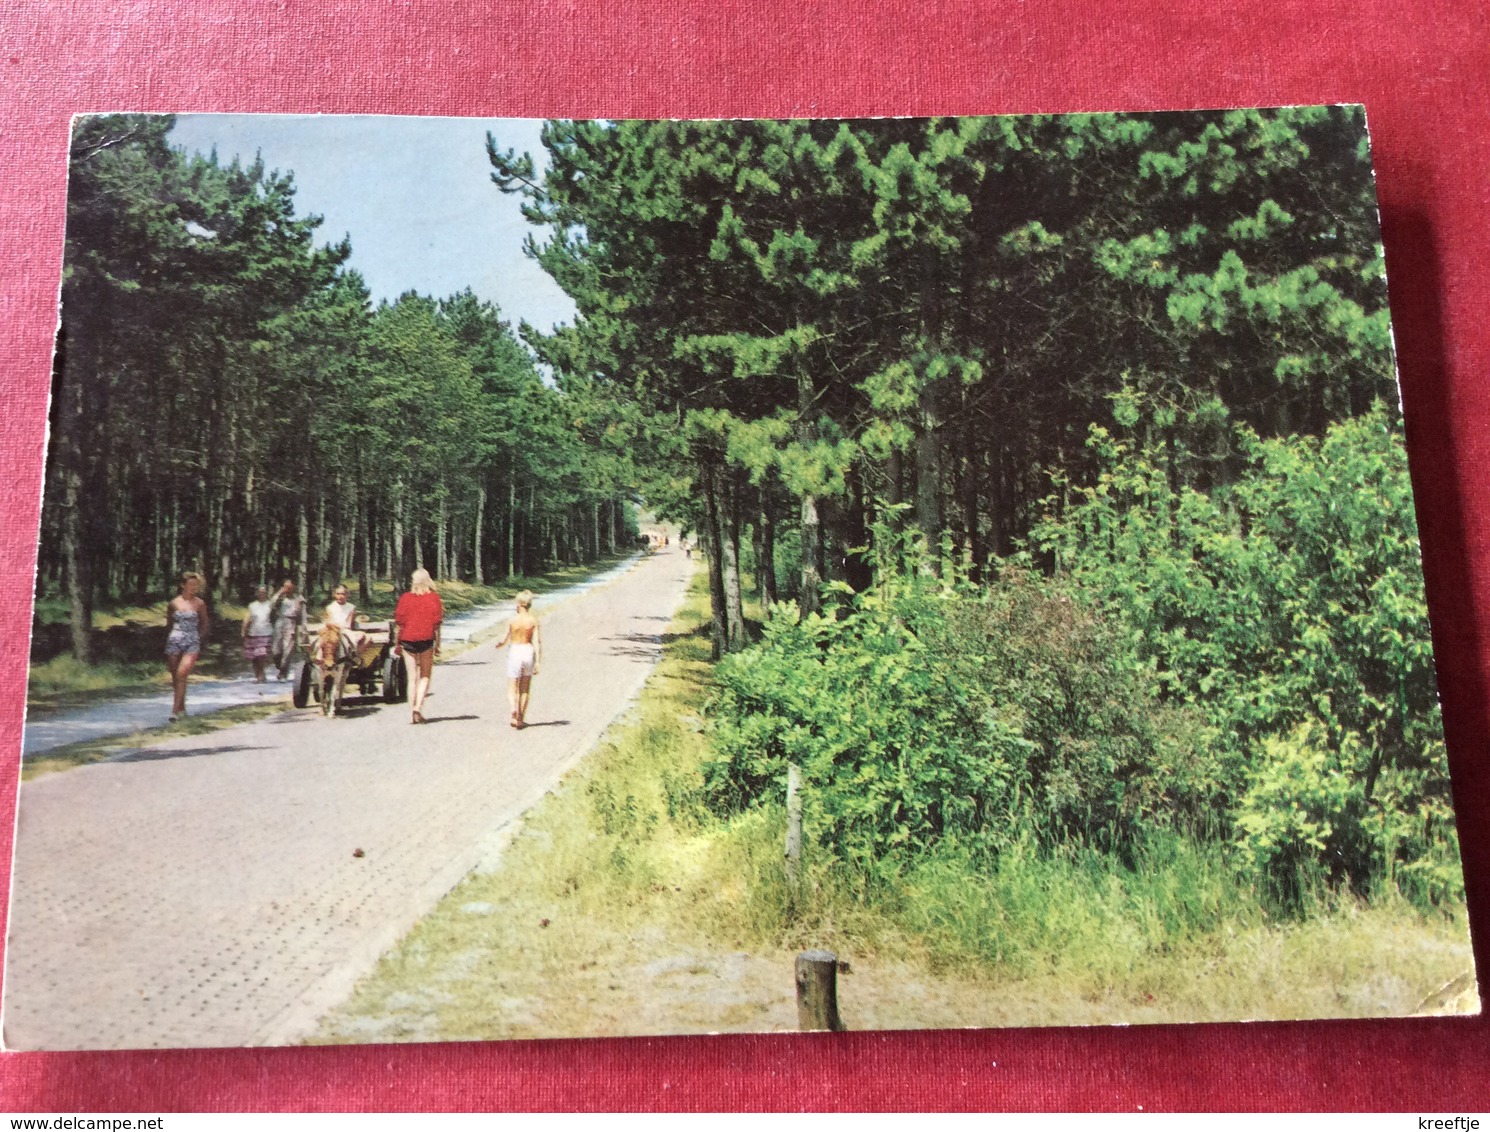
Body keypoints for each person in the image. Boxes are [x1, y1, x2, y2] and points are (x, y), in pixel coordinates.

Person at [393, 568, 443, 725]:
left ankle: (411, 711)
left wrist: (397, 643)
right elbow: (436, 625)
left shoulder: (405, 598)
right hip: (426, 640)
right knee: (425, 676)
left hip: (407, 640)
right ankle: (418, 707)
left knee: (411, 678)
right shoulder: (433, 598)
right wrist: (438, 644)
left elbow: (400, 623)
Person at [165, 572, 210, 722]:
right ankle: (182, 708)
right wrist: (172, 636)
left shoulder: (200, 603)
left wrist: (198, 637)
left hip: (192, 641)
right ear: (183, 585)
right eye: (190, 585)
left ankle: (174, 711)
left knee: (182, 674)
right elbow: (169, 623)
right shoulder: (174, 603)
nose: (193, 588)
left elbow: (204, 622)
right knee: (175, 677)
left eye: (195, 585)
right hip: (175, 640)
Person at [494, 590, 542, 729]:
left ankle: (513, 709)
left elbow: (504, 639)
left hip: (515, 650)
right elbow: (537, 641)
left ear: (519, 605)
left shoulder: (512, 620)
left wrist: (500, 644)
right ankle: (520, 718)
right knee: (525, 688)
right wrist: (538, 661)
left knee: (512, 686)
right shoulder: (533, 621)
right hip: (527, 650)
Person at [270, 579, 307, 681]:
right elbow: (271, 605)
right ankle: (279, 665)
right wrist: (279, 593)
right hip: (280, 621)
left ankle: (283, 673)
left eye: (289, 588)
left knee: (288, 650)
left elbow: (303, 615)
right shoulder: (281, 597)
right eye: (285, 587)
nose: (287, 590)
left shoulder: (299, 599)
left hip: (292, 623)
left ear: (293, 588)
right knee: (275, 650)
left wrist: (303, 628)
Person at [241, 585, 274, 683]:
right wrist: (244, 630)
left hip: (266, 632)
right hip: (253, 633)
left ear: (266, 593)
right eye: (260, 592)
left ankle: (261, 674)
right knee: (254, 657)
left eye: (264, 592)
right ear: (257, 593)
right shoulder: (253, 605)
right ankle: (258, 674)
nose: (261, 594)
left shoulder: (270, 605)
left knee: (261, 655)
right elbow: (248, 618)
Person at [324, 584, 365, 657]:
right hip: (334, 630)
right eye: (338, 594)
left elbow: (348, 624)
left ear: (347, 595)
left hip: (345, 629)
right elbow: (330, 622)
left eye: (343, 594)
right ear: (334, 595)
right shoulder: (330, 607)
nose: (340, 596)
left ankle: (354, 655)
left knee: (362, 636)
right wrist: (335, 628)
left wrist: (342, 628)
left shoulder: (351, 607)